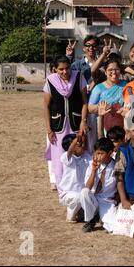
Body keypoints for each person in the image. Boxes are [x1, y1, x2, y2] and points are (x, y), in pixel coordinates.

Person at [43, 56, 88, 188]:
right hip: (58, 125)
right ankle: (61, 187)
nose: (65, 72)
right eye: (61, 69)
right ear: (55, 69)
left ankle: (78, 184)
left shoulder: (79, 77)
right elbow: (46, 106)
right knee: (59, 158)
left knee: (78, 153)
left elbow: (85, 102)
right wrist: (49, 130)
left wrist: (83, 122)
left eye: (67, 68)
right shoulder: (50, 81)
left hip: (76, 123)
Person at [80, 137, 118, 233]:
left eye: (101, 153)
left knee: (113, 227)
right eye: (96, 153)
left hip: (107, 200)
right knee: (84, 192)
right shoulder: (92, 164)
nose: (97, 156)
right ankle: (90, 220)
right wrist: (94, 171)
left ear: (110, 153)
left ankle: (100, 216)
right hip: (94, 198)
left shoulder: (116, 166)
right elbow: (88, 187)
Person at [88, 59, 127, 142]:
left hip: (123, 124)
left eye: (116, 69)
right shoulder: (99, 88)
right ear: (105, 72)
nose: (114, 72)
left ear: (120, 71)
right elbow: (90, 108)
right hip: (104, 125)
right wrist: (104, 107)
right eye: (110, 70)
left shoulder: (126, 85)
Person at [57, 134, 91, 222]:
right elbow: (69, 151)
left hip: (83, 191)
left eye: (83, 144)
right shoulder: (67, 158)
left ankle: (81, 212)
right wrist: (76, 140)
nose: (83, 146)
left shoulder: (86, 156)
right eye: (79, 145)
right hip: (68, 194)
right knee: (78, 197)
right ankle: (70, 215)